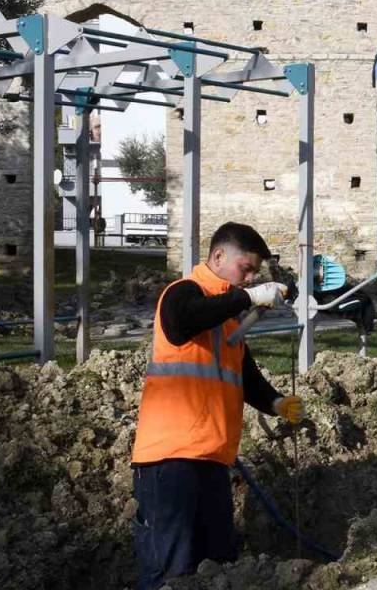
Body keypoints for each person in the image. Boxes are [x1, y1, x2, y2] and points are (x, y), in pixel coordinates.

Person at [130, 222, 305, 589]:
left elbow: (245, 375)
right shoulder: (182, 294)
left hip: (212, 460)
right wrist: (249, 298)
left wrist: (275, 403)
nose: (251, 277)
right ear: (218, 256)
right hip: (170, 460)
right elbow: (182, 323)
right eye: (247, 268)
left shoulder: (225, 320)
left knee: (218, 570)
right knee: (172, 574)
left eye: (256, 272)